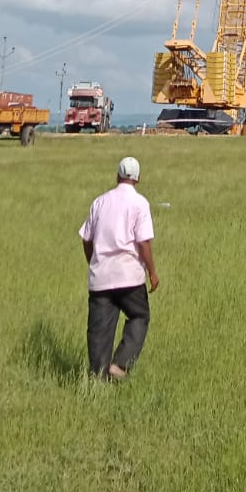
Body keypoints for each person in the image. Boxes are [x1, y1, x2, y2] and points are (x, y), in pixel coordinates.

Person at [78, 155, 159, 380]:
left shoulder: (100, 202)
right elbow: (143, 242)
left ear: (117, 176)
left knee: (99, 331)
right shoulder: (140, 203)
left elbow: (86, 238)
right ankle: (120, 364)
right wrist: (152, 272)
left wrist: (94, 260)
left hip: (100, 277)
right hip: (129, 277)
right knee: (139, 316)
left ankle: (97, 378)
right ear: (138, 178)